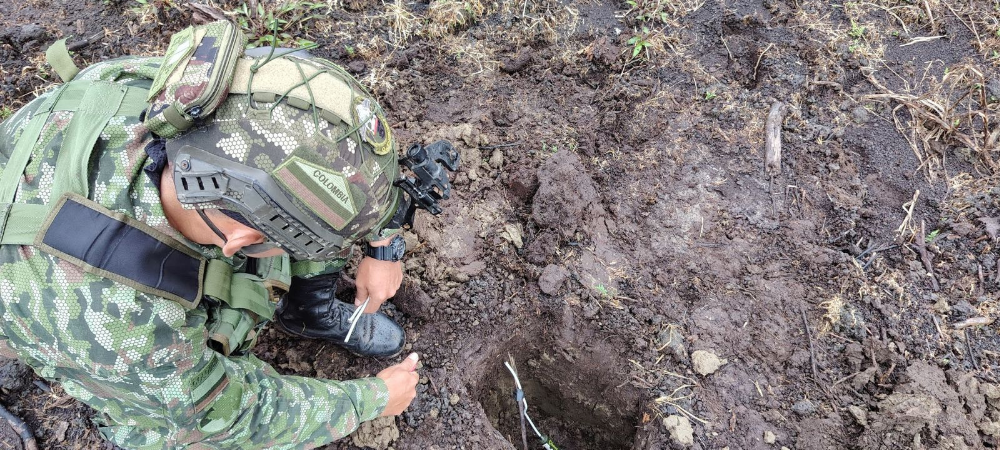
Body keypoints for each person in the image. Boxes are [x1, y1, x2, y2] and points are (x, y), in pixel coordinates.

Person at [0, 21, 442, 449]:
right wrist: (370, 400)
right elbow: (233, 415)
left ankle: (307, 311)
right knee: (184, 438)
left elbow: (338, 155)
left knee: (308, 208)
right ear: (240, 243)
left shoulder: (187, 101)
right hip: (69, 310)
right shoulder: (128, 325)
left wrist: (383, 246)